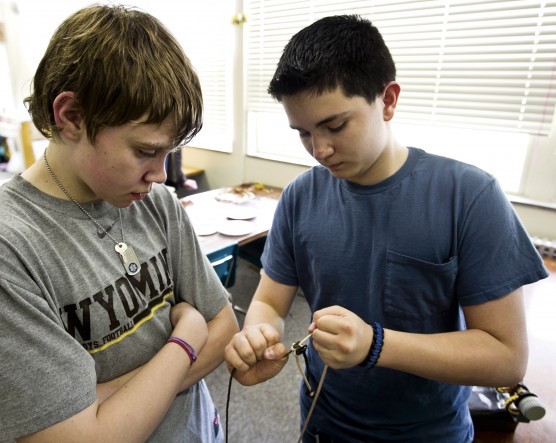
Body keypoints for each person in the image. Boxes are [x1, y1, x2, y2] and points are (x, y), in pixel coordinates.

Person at [224, 14, 549, 442]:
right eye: (303, 133)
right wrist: (258, 335)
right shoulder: (301, 196)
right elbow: (269, 300)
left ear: (388, 100)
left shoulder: (468, 196)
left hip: (429, 434)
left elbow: (505, 358)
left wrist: (375, 345)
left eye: (335, 125)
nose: (319, 150)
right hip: (322, 426)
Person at [0, 5, 238, 442]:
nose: (160, 174)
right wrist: (185, 340)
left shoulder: (155, 202)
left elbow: (225, 325)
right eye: (144, 151)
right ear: (72, 117)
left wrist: (101, 404)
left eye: (167, 154)